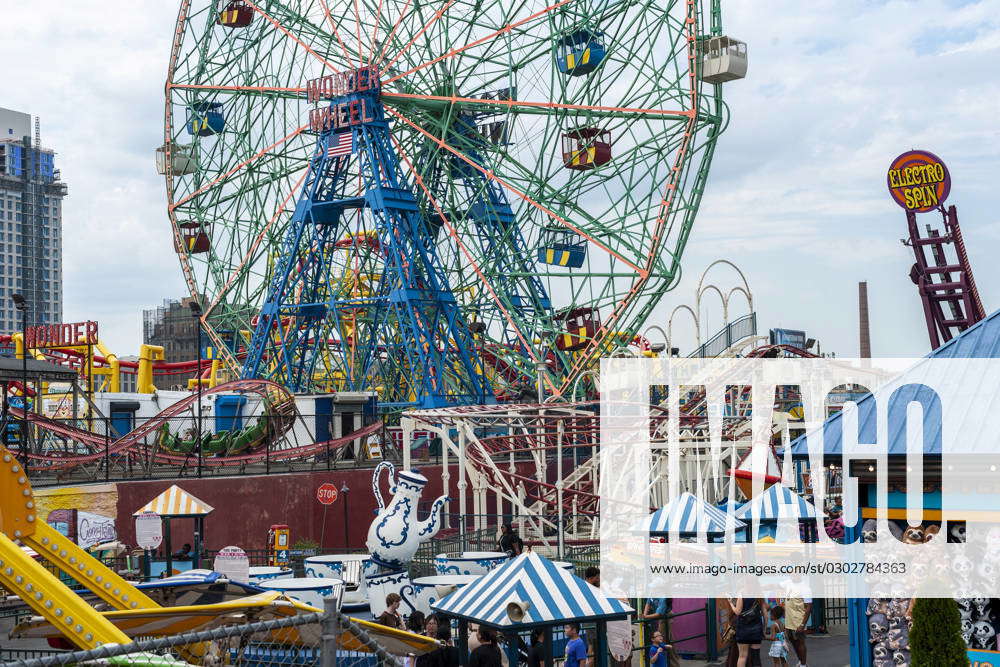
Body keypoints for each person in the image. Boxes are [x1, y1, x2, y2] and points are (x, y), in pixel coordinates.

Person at [780, 573, 812, 667]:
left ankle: (803, 664)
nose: (793, 575)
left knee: (800, 642)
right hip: (789, 621)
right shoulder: (788, 583)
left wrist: (802, 625)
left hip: (798, 621)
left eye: (796, 573)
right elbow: (777, 586)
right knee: (793, 641)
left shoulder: (805, 588)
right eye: (792, 573)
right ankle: (801, 661)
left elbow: (809, 607)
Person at [727, 597, 765, 667]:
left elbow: (737, 612)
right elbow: (765, 615)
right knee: (756, 657)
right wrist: (764, 629)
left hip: (743, 630)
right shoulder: (759, 597)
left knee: (742, 657)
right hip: (756, 631)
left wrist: (731, 603)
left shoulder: (741, 596)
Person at [642, 599, 679, 667]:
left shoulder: (663, 598)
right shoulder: (652, 592)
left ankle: (673, 664)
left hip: (664, 616)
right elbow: (648, 602)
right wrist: (644, 615)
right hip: (662, 618)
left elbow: (659, 614)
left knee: (665, 640)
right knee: (666, 640)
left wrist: (645, 616)